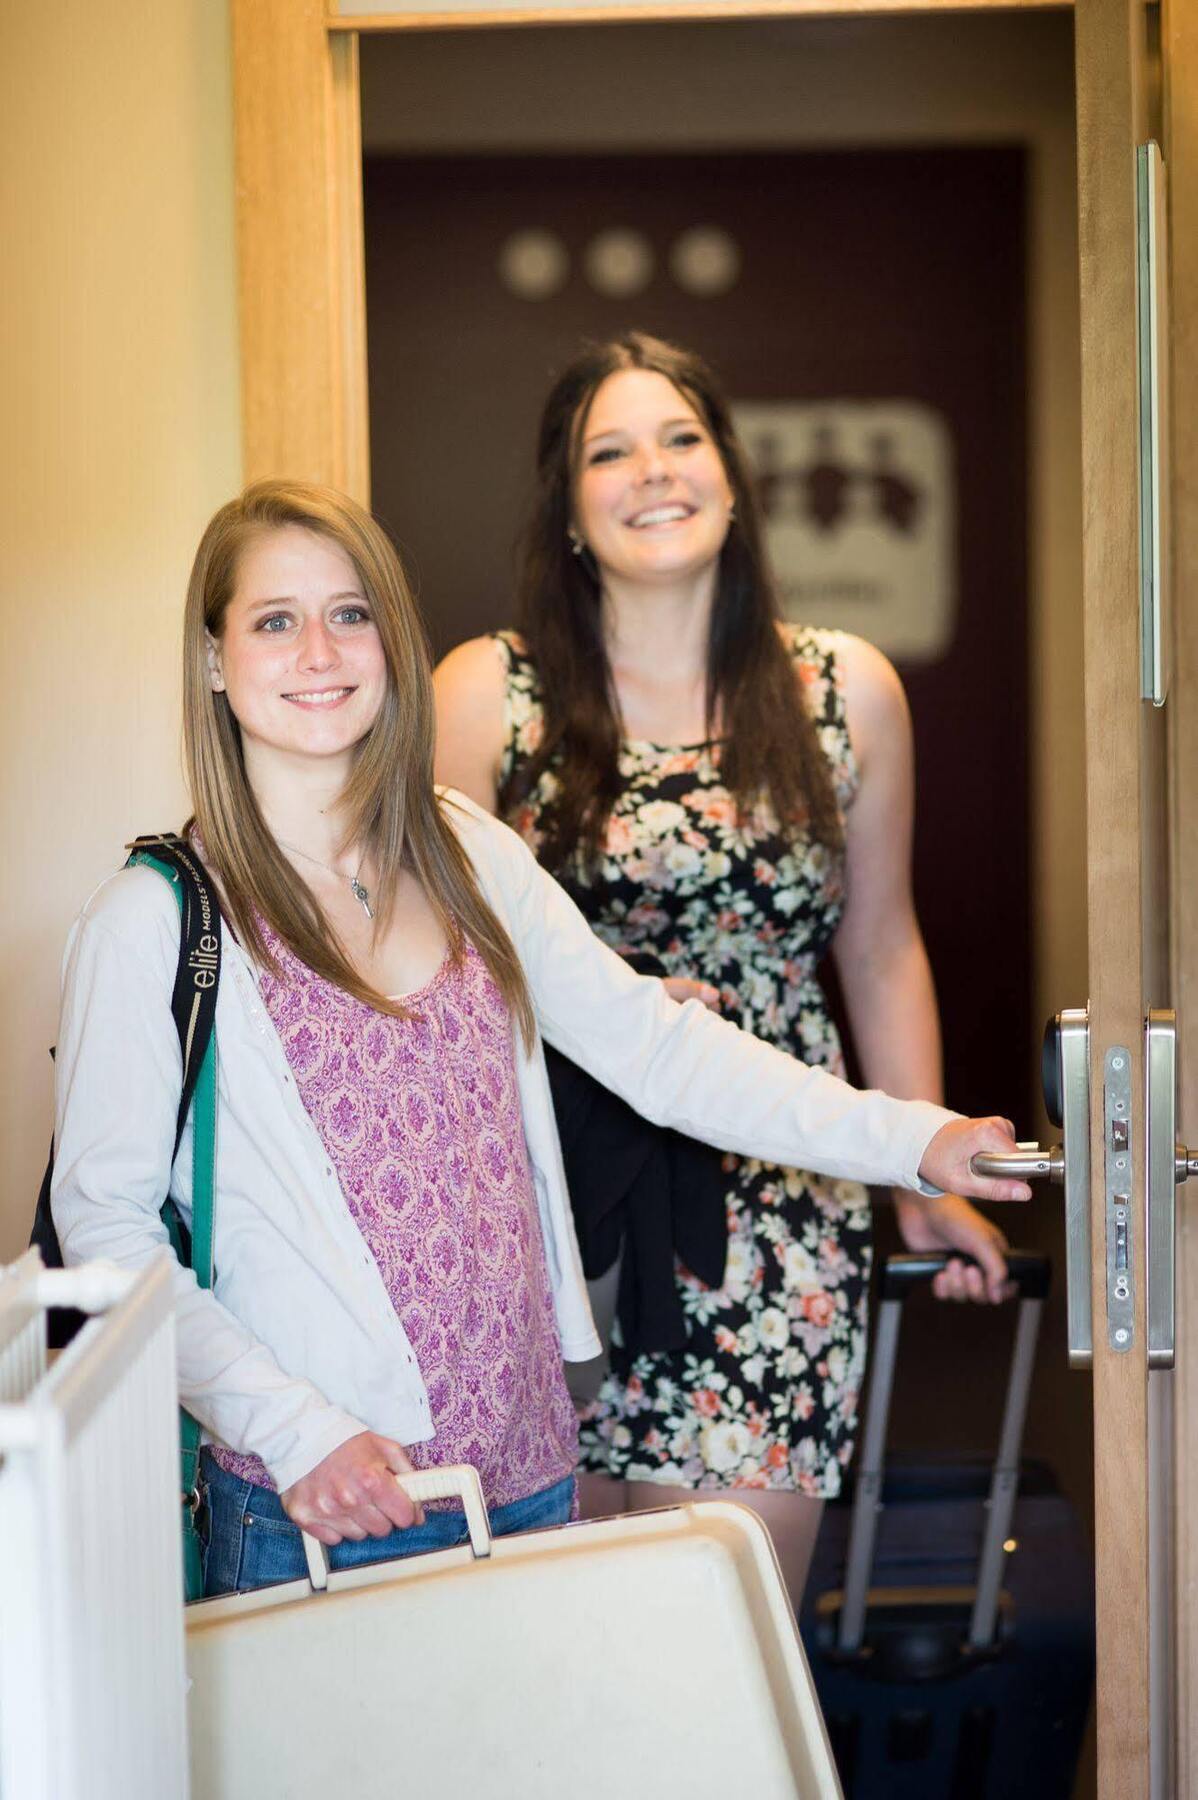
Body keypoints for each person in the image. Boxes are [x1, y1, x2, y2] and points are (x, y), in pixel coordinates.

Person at [52, 479, 1028, 1599]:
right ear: (216, 660)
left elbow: (659, 1053)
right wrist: (291, 1433)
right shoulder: (158, 920)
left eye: (351, 613)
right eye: (274, 620)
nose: (319, 649)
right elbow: (103, 1222)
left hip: (523, 1480)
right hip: (319, 1506)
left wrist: (916, 1139)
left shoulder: (466, 855)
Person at [433, 332, 1013, 1602]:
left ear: (733, 478)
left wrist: (914, 1166)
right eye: (610, 449)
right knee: (549, 1650)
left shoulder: (843, 690)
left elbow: (878, 942)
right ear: (568, 507)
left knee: (727, 1639)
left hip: (779, 1198)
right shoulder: (487, 696)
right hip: (555, 1212)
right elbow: (439, 972)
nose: (653, 470)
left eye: (682, 438)